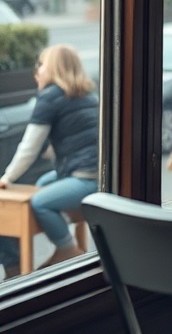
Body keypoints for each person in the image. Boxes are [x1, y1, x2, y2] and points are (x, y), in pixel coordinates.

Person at [0, 44, 98, 279]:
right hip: (95, 172)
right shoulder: (86, 95)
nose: (38, 70)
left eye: (42, 64)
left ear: (53, 68)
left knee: (40, 202)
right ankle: (59, 229)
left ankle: (67, 249)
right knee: (44, 182)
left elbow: (29, 147)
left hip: (86, 178)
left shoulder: (50, 97)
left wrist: (7, 177)